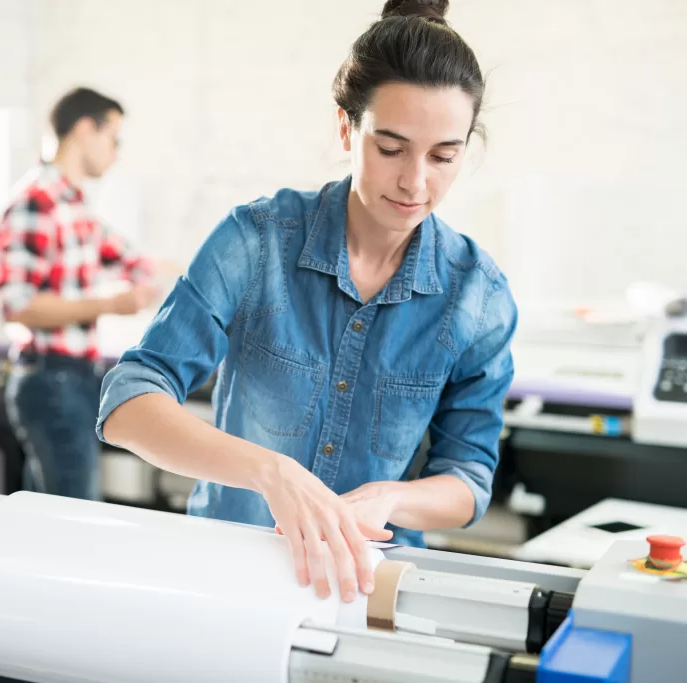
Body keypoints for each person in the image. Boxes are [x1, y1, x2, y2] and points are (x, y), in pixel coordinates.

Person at [97, 0, 517, 604]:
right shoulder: (256, 241)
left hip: (369, 590)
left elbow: (469, 481)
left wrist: (392, 497)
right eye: (391, 148)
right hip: (224, 580)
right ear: (346, 128)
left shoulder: (479, 296)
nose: (416, 182)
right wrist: (272, 473)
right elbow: (128, 400)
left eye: (444, 156)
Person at [0, 86, 159, 501]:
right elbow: (18, 306)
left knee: (46, 518)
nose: (116, 153)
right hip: (51, 380)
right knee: (75, 519)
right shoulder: (37, 202)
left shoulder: (73, 206)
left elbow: (131, 258)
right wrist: (111, 304)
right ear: (85, 129)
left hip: (76, 379)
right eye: (113, 139)